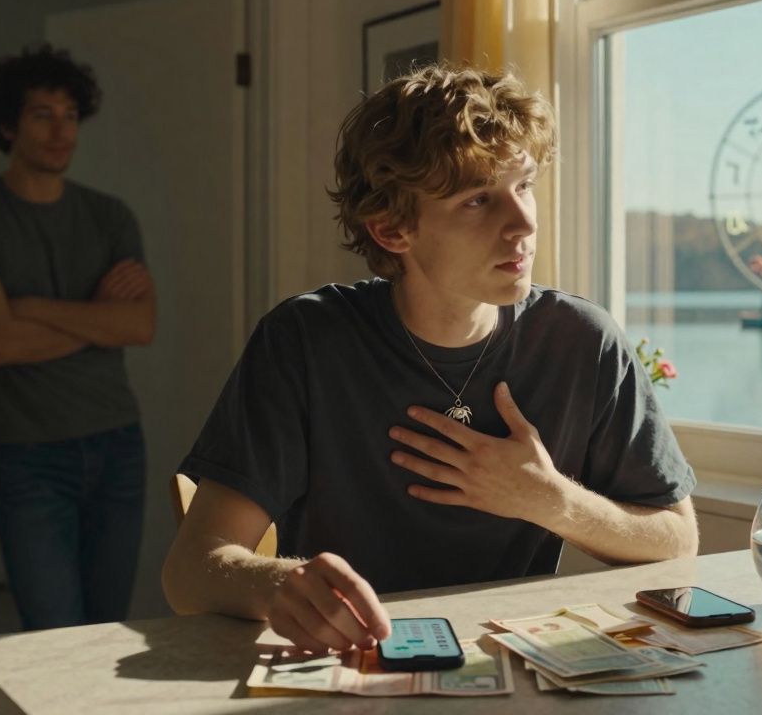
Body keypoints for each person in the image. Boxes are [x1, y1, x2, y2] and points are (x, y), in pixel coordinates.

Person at [162, 63, 698, 653]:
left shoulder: (582, 341)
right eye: (478, 200)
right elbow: (190, 571)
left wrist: (551, 500)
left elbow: (677, 539)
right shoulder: (305, 342)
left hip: (509, 666)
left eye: (523, 186)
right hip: (350, 666)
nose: (522, 224)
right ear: (393, 230)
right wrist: (282, 584)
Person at [0, 44, 156, 630]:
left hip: (117, 446)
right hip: (27, 455)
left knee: (104, 633)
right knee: (51, 635)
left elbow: (139, 325)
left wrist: (39, 309)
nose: (59, 131)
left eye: (69, 116)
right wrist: (96, 319)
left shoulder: (110, 216)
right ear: (6, 125)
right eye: (41, 115)